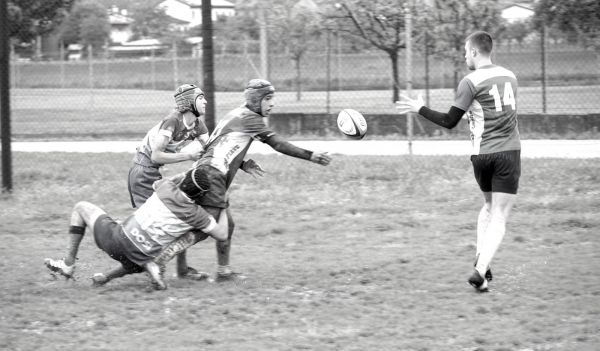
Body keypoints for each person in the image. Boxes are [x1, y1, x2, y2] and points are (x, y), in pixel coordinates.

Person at [155, 78, 332, 280]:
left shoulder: (235, 113)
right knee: (209, 226)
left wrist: (242, 163)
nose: (272, 103)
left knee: (225, 224)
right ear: (257, 100)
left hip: (201, 171)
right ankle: (166, 256)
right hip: (214, 175)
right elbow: (278, 144)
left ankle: (210, 271)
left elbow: (216, 144)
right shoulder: (250, 118)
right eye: (268, 98)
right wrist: (311, 155)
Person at [396, 31, 520, 292]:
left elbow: (449, 121)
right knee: (500, 213)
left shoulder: (470, 81)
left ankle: (481, 266)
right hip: (508, 153)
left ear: (475, 51)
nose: (465, 56)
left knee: (488, 206)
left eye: (466, 52)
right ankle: (480, 269)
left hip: (481, 155)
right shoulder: (510, 76)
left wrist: (420, 109)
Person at [45, 165, 230, 290]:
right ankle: (131, 271)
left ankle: (69, 265)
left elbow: (160, 182)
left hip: (116, 240)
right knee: (139, 258)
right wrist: (222, 203)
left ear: (185, 180)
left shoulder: (165, 187)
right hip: (139, 257)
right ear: (201, 194)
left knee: (80, 207)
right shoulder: (197, 214)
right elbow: (222, 234)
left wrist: (186, 174)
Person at [127, 83, 211, 279]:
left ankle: (179, 269)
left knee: (177, 216)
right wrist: (189, 157)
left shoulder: (198, 124)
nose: (205, 101)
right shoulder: (172, 121)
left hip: (153, 173)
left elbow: (210, 149)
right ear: (189, 102)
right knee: (146, 226)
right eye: (201, 98)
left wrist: (240, 164)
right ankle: (144, 266)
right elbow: (156, 156)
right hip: (142, 172)